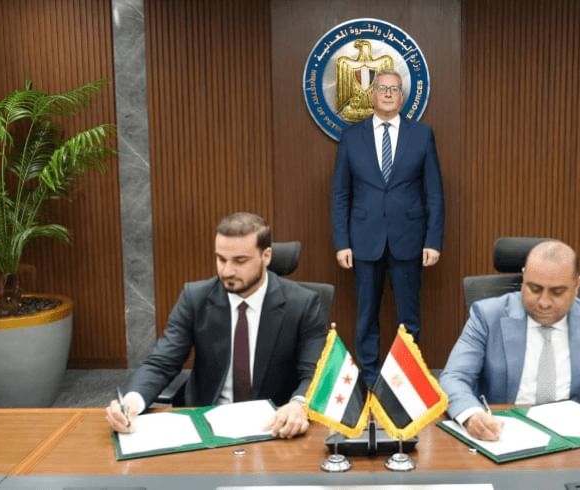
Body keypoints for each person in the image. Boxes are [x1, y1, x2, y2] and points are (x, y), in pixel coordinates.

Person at [105, 212, 325, 438]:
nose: (227, 271)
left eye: (240, 261)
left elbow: (314, 372)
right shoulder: (195, 298)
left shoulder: (302, 304)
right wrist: (132, 402)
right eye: (221, 259)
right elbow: (162, 362)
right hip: (205, 422)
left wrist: (298, 404)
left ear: (266, 256)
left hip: (274, 425)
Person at [440, 240, 580, 441]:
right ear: (524, 278)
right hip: (504, 433)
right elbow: (454, 377)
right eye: (534, 289)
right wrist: (471, 414)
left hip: (573, 438)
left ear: (577, 285)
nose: (544, 302)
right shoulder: (487, 316)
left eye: (557, 292)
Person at [331, 69, 445, 385]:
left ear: (402, 97)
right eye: (382, 88)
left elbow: (434, 193)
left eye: (394, 89)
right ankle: (369, 380)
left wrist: (433, 240)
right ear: (372, 95)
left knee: (408, 318)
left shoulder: (422, 135)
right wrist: (342, 242)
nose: (388, 94)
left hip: (409, 239)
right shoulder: (351, 137)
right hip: (364, 241)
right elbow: (341, 194)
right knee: (366, 315)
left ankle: (405, 381)